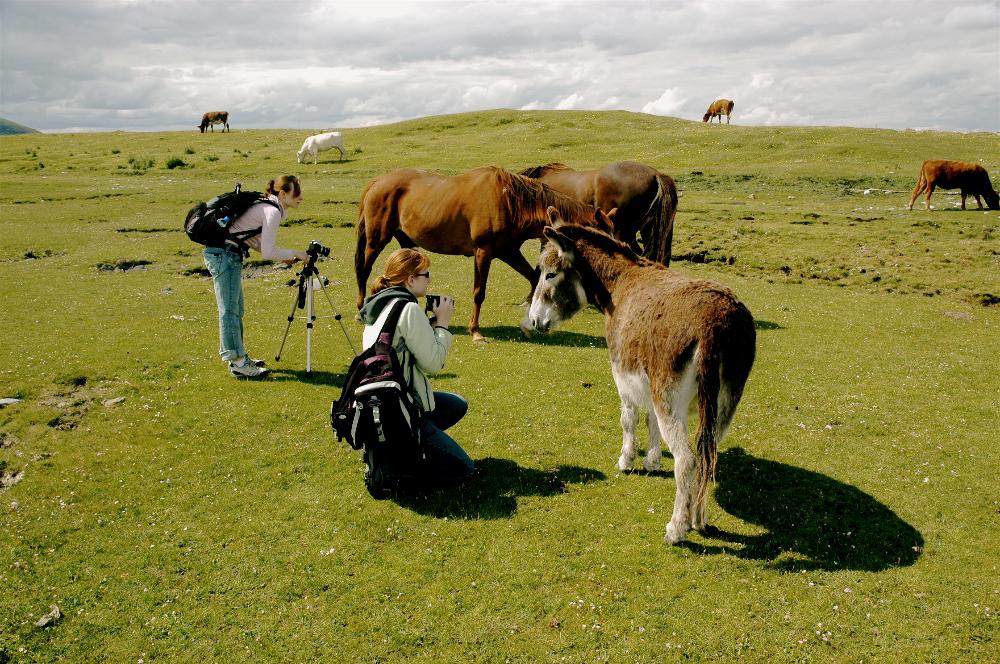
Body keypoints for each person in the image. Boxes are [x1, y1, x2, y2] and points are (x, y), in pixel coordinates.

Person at [357, 248, 475, 486]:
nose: (430, 279)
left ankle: (396, 448)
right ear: (410, 279)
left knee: (456, 405)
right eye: (426, 274)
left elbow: (399, 343)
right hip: (402, 407)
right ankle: (399, 466)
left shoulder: (381, 304)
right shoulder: (408, 308)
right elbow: (434, 363)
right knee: (464, 470)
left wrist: (427, 326)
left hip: (385, 401)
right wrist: (443, 325)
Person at [203, 175, 310, 379]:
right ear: (283, 194)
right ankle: (237, 363)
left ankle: (240, 358)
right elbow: (269, 252)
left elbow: (253, 241)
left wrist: (287, 256)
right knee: (229, 310)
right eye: (297, 192)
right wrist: (295, 252)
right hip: (224, 255)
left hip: (227, 254)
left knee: (236, 308)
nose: (301, 197)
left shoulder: (266, 206)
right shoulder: (272, 211)